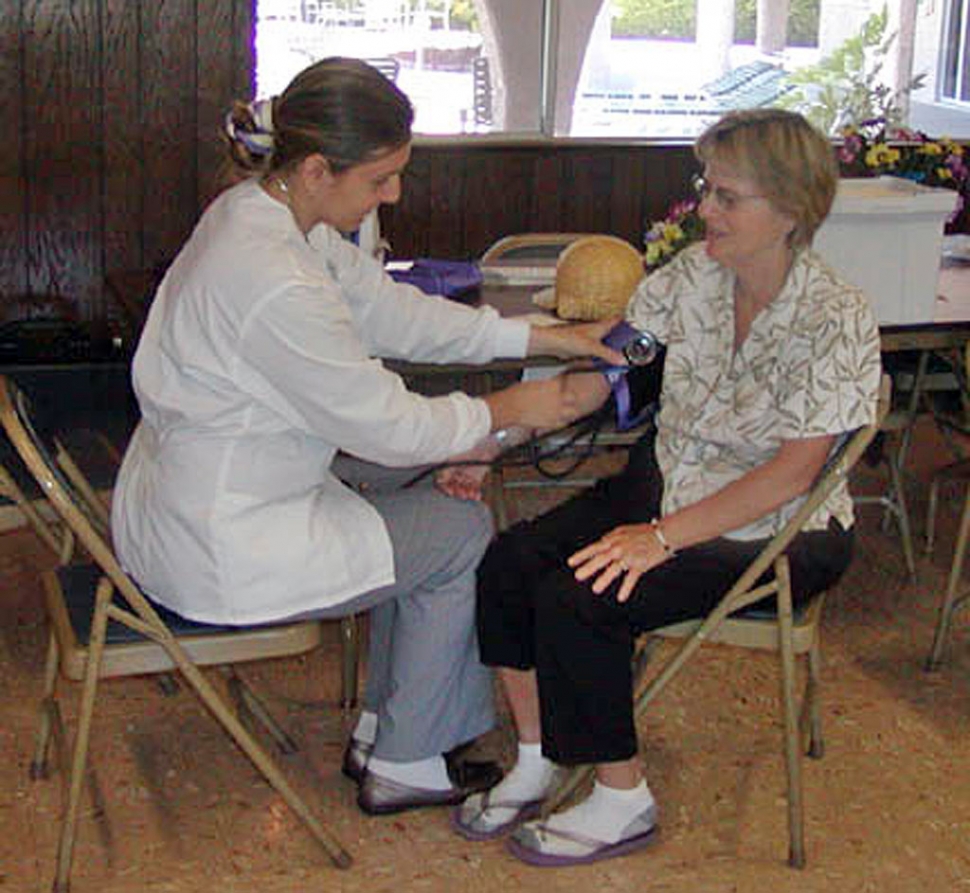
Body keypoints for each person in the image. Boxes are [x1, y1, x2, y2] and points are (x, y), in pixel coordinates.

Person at [110, 57, 625, 817]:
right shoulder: (273, 277)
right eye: (382, 178)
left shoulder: (263, 212)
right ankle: (406, 762)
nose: (394, 194)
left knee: (426, 491)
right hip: (221, 542)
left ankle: (386, 726)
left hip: (194, 493)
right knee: (458, 530)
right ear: (318, 168)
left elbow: (390, 314)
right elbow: (388, 424)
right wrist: (518, 406)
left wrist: (542, 335)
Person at [449, 108, 883, 866]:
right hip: (668, 483)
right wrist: (493, 441)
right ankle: (538, 754)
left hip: (780, 525)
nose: (703, 211)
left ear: (790, 211)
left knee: (582, 595)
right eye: (705, 189)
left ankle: (623, 798)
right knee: (511, 561)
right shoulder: (688, 280)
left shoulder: (835, 315)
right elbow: (601, 379)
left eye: (727, 197)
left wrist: (657, 539)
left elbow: (793, 471)